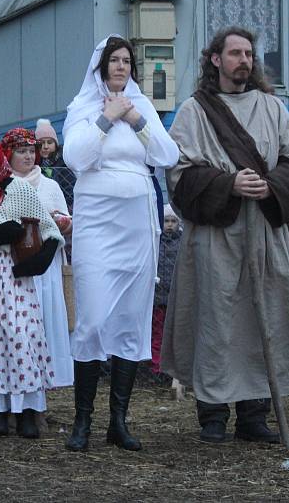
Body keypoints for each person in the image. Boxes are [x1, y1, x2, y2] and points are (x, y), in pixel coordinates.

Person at [161, 27, 289, 444]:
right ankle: (212, 415)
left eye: (249, 53)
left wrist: (272, 184)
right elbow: (178, 172)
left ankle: (254, 414)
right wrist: (228, 185)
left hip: (266, 234)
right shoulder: (195, 111)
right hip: (218, 239)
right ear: (216, 59)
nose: (244, 60)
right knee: (215, 322)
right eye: (235, 53)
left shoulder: (272, 106)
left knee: (263, 321)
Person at [62, 35, 179, 452]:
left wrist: (136, 120)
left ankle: (118, 422)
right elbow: (76, 157)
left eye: (127, 60)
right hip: (97, 219)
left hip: (137, 220)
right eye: (114, 60)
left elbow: (167, 154)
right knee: (92, 318)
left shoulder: (142, 105)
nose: (121, 67)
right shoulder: (83, 107)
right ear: (100, 66)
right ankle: (82, 422)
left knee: (131, 319)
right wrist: (107, 118)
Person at [0, 129, 63, 439]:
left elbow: (48, 229)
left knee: (22, 335)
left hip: (16, 275)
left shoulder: (19, 188)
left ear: (0, 154)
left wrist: (40, 259)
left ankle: (28, 410)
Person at [4, 127, 74, 390]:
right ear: (9, 155)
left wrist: (63, 223)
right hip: (17, 264)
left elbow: (66, 221)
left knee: (46, 322)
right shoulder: (4, 186)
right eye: (20, 151)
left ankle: (43, 388)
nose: (27, 156)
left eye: (30, 151)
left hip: (47, 264)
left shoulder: (51, 185)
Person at [151, 205, 181, 374]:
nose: (169, 225)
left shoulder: (182, 242)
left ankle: (173, 370)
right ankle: (157, 368)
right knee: (157, 333)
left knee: (174, 334)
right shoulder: (157, 241)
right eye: (166, 221)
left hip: (174, 297)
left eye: (173, 221)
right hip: (158, 297)